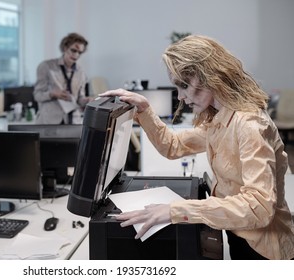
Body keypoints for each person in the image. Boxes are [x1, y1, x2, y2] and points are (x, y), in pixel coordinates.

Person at [99, 35, 294, 260]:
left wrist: (176, 211)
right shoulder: (220, 118)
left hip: (264, 249)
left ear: (211, 76)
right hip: (238, 233)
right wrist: (144, 110)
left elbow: (259, 208)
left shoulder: (249, 124)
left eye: (184, 86)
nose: (181, 96)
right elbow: (173, 146)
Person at [34, 32, 91, 124]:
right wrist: (52, 94)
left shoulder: (81, 72)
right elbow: (37, 95)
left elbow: (79, 99)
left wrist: (87, 101)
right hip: (50, 122)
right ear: (65, 48)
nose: (76, 55)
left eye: (80, 52)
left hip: (73, 121)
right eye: (73, 50)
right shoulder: (46, 66)